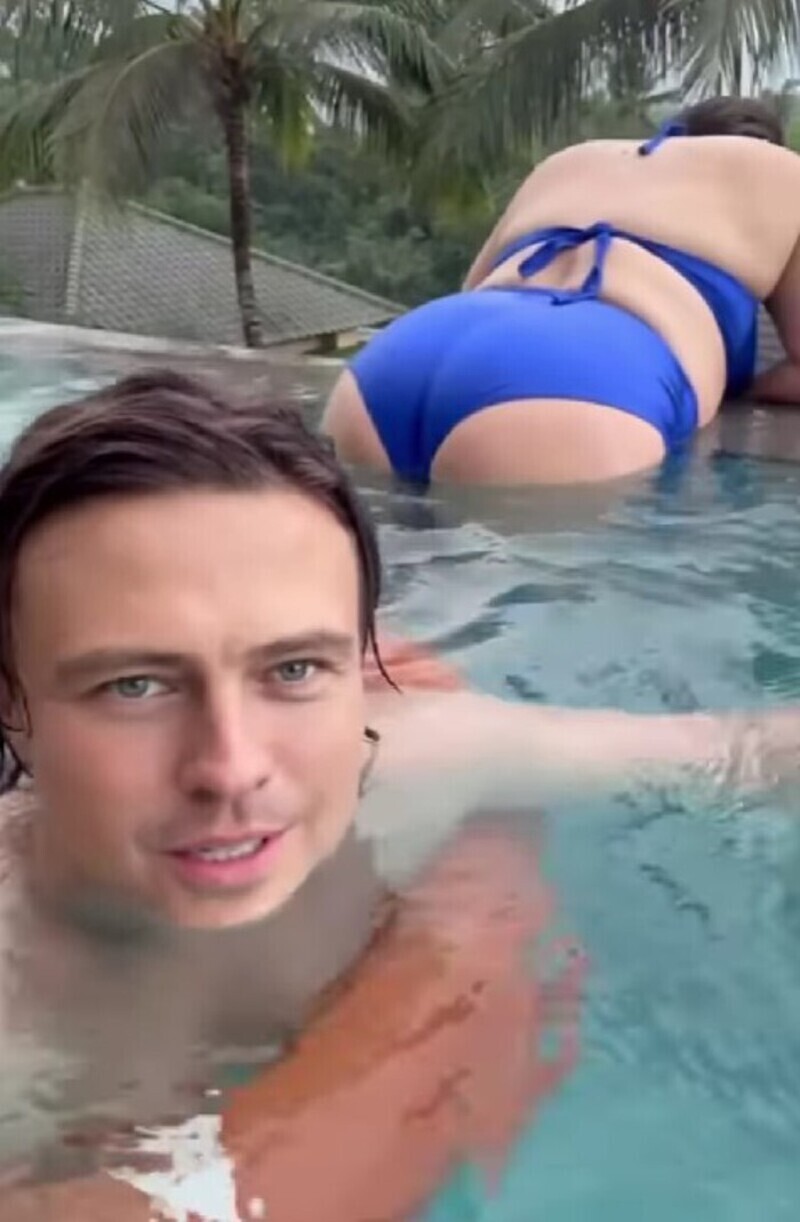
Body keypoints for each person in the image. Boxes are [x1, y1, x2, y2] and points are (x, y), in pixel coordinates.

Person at [0, 369, 797, 1221]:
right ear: (12, 704)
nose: (231, 767)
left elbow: (738, 753)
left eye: (294, 669)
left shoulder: (413, 773)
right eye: (134, 686)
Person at [322, 96, 800, 486]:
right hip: (580, 384)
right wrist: (740, 386)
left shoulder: (570, 162)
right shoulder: (782, 175)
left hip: (402, 357)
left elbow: (473, 288)